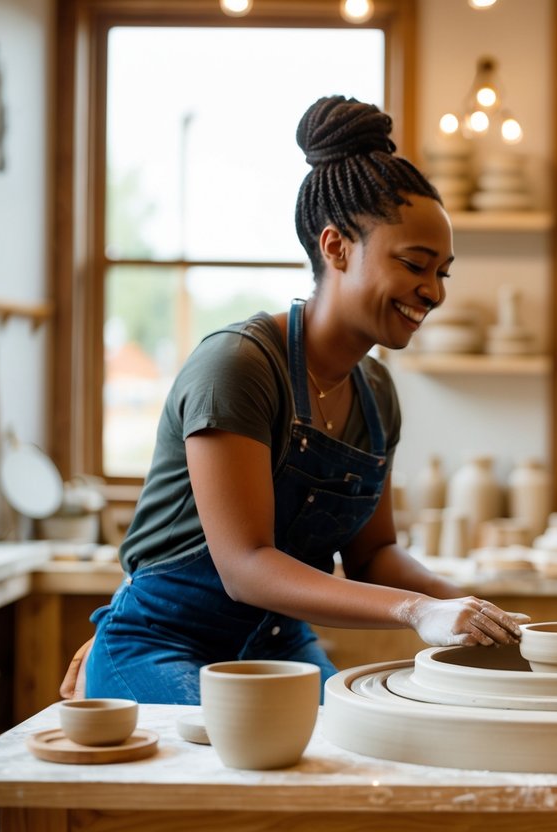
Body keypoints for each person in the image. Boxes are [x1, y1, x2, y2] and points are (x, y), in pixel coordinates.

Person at [75, 95, 526, 705]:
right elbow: (246, 566)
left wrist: (465, 608)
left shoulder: (377, 392)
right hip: (162, 642)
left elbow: (375, 556)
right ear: (336, 247)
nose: (434, 291)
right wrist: (418, 611)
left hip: (277, 645)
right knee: (258, 760)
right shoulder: (237, 366)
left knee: (363, 748)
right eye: (416, 264)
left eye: (443, 272)